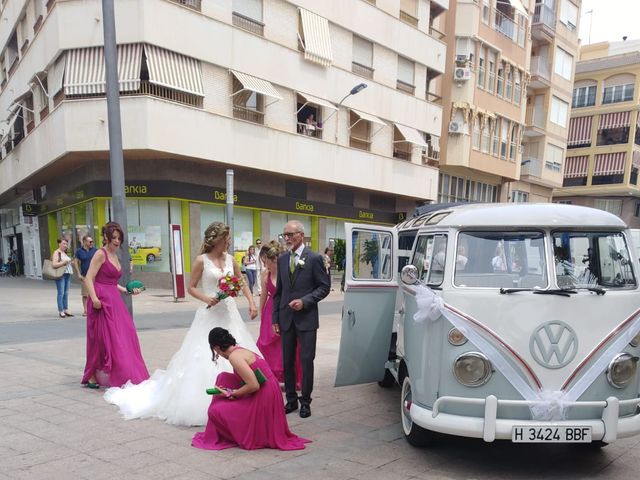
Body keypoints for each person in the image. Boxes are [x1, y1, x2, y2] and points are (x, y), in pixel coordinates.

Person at [104, 221, 259, 426]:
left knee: (237, 349)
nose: (229, 243)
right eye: (226, 239)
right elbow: (191, 288)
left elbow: (241, 282)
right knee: (204, 354)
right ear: (217, 240)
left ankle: (242, 395)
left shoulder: (231, 259)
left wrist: (251, 302)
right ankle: (208, 401)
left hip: (229, 313)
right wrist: (207, 299)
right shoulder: (201, 261)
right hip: (210, 313)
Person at [192, 327, 309, 451]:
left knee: (215, 410)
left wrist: (231, 393)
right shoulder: (240, 350)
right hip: (270, 391)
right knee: (223, 378)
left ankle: (232, 431)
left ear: (216, 348)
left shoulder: (234, 357)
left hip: (265, 397)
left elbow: (253, 385)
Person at [272, 220, 330, 418]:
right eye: (284, 235)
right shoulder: (281, 260)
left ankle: (306, 401)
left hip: (306, 319)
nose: (286, 239)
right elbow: (278, 292)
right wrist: (275, 318)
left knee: (306, 361)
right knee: (287, 361)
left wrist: (305, 301)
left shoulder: (314, 259)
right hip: (286, 318)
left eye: (290, 235)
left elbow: (324, 287)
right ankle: (291, 400)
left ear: (301, 235)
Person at [82, 222, 149, 389]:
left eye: (119, 238)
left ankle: (122, 372)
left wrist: (126, 290)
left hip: (114, 301)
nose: (117, 242)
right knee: (101, 339)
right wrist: (95, 298)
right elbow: (88, 278)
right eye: (114, 238)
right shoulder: (100, 254)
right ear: (106, 238)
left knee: (125, 335)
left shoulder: (115, 256)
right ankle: (91, 374)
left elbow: (112, 283)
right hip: (101, 302)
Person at [257, 241, 302, 386]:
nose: (265, 266)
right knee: (267, 344)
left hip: (286, 309)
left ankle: (290, 376)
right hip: (270, 310)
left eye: (265, 262)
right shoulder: (265, 274)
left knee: (287, 345)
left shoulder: (287, 270)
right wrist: (260, 312)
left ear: (274, 259)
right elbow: (264, 294)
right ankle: (271, 376)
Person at [74, 235, 97, 316]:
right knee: (85, 294)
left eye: (92, 241)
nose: (92, 243)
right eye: (90, 241)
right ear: (84, 242)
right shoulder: (79, 251)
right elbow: (75, 262)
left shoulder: (95, 250)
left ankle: (94, 309)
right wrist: (78, 273)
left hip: (95, 276)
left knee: (95, 293)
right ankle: (86, 310)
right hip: (85, 276)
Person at [51, 238, 74, 318]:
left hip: (67, 274)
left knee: (66, 293)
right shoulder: (57, 252)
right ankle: (61, 310)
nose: (65, 245)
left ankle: (66, 309)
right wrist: (64, 262)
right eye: (63, 243)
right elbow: (54, 264)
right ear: (59, 244)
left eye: (66, 244)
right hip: (61, 275)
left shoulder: (64, 253)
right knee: (61, 293)